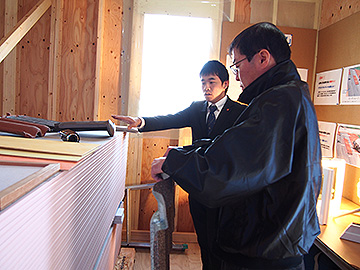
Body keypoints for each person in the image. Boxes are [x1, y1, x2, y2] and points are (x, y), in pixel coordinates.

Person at [151, 22, 322, 270]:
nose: (237, 74)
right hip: (273, 242)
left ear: (263, 58)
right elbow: (231, 143)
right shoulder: (287, 96)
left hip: (266, 251)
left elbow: (225, 171)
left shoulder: (279, 102)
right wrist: (183, 153)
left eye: (237, 64)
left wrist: (174, 161)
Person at [112, 60, 247, 269]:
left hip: (225, 188)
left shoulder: (239, 111)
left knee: (222, 243)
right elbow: (170, 119)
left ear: (226, 83)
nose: (206, 87)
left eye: (212, 81)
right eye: (202, 82)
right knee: (204, 239)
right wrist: (141, 121)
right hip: (199, 186)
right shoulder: (197, 108)